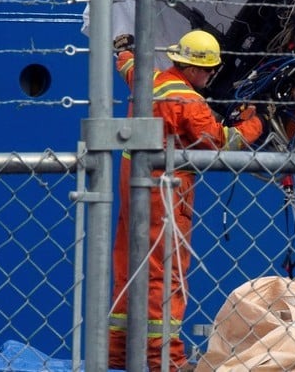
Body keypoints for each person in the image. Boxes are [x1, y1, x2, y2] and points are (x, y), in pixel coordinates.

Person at [108, 30, 264, 372]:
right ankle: (168, 361)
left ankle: (117, 354)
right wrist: (255, 123)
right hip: (164, 191)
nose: (210, 76)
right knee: (166, 276)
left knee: (128, 269)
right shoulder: (188, 101)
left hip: (131, 182)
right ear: (193, 68)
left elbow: (127, 64)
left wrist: (123, 50)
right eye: (208, 70)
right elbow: (222, 143)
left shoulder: (150, 78)